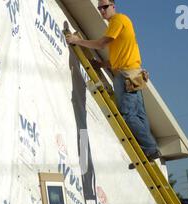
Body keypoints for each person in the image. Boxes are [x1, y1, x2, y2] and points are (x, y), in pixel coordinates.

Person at [66, 0, 161, 163]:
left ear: (113, 6)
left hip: (126, 75)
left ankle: (151, 149)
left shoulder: (118, 20)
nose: (102, 11)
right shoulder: (123, 23)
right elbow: (120, 55)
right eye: (100, 8)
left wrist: (77, 41)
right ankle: (149, 151)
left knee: (127, 115)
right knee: (139, 115)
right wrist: (101, 65)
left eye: (105, 7)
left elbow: (101, 44)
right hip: (134, 73)